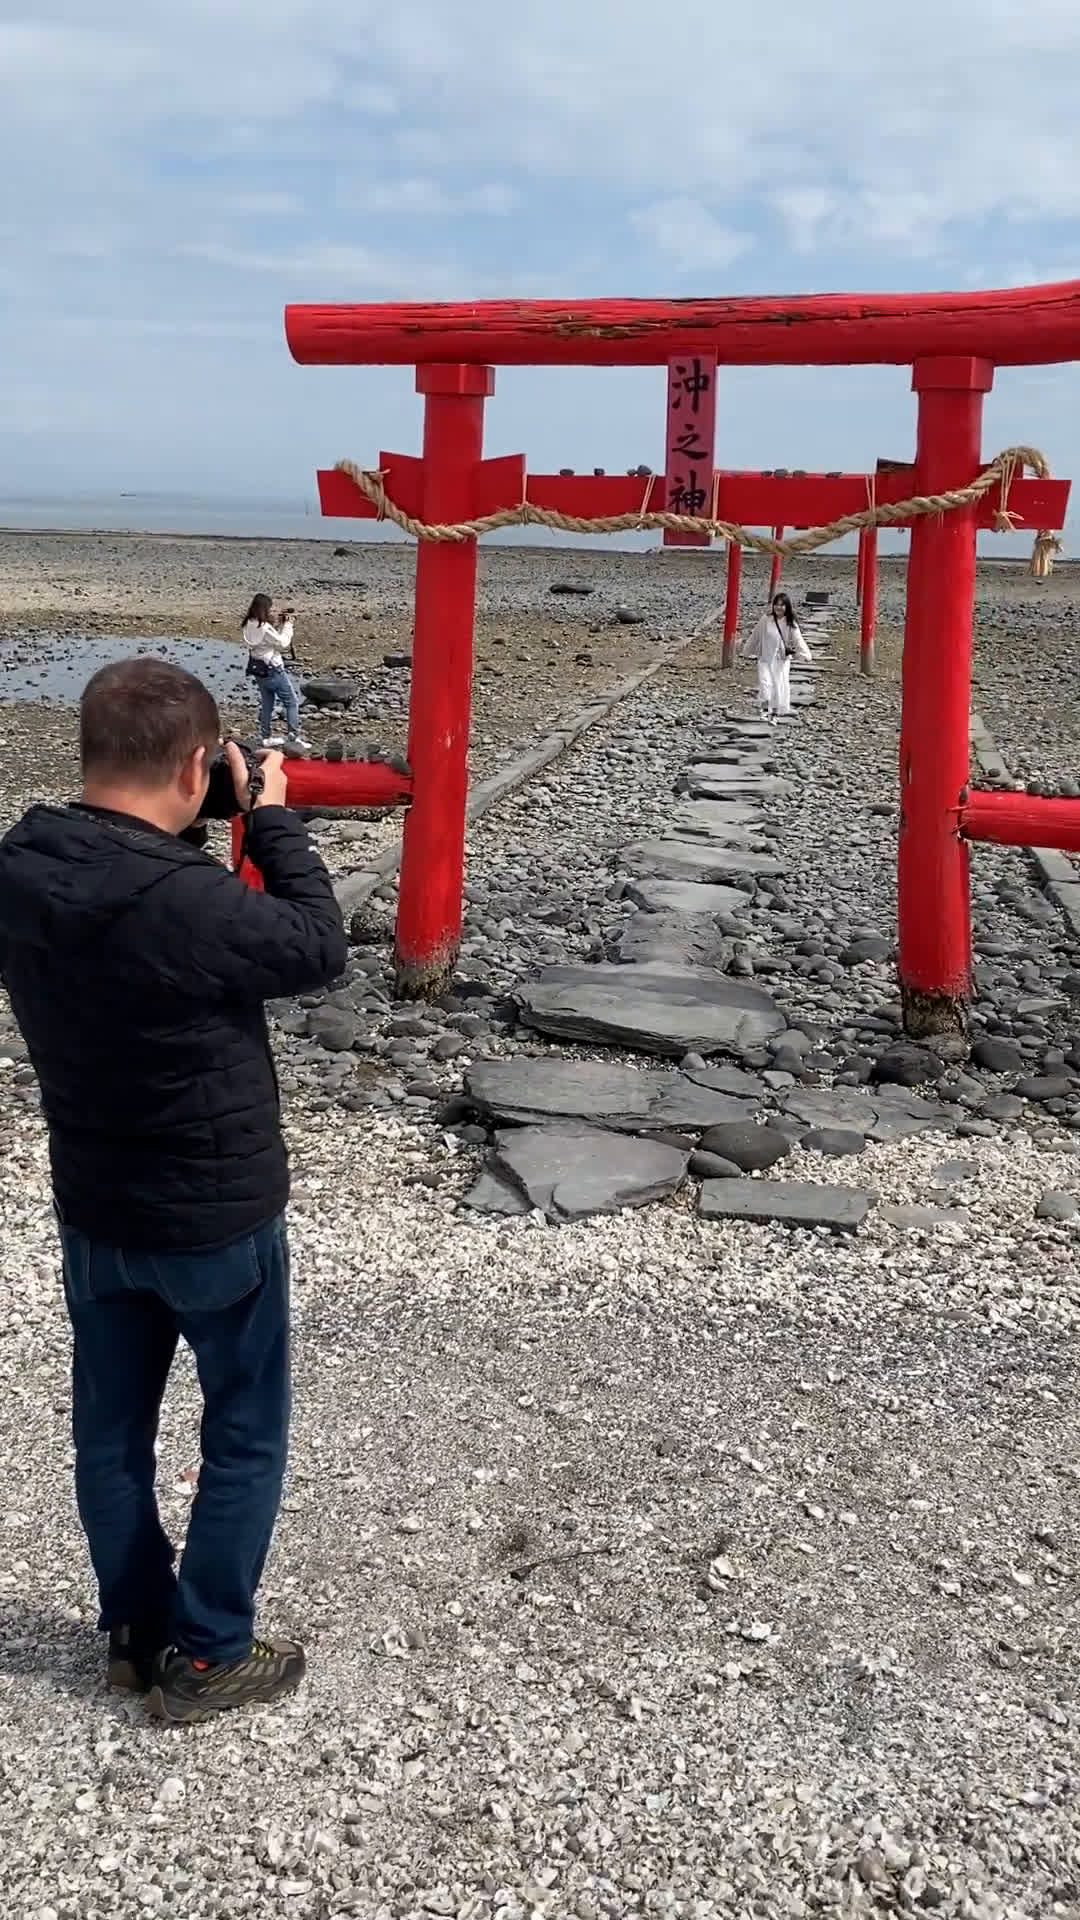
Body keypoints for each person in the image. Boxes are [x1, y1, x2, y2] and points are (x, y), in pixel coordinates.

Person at [0, 659, 347, 1723]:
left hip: (97, 1205)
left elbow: (122, 893)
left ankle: (134, 1630)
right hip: (215, 1214)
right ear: (201, 765)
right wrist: (273, 822)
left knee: (110, 1430)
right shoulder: (190, 901)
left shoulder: (18, 865)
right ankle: (207, 1656)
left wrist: (196, 822)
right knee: (242, 1429)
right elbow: (316, 947)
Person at [243, 593, 310, 749]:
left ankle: (265, 737)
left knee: (267, 703)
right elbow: (282, 643)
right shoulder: (264, 628)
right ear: (264, 609)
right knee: (291, 702)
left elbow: (268, 640)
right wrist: (288, 625)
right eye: (270, 608)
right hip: (273, 670)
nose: (272, 611)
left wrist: (278, 625)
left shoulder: (248, 623)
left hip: (258, 668)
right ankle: (293, 737)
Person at [741, 591, 812, 723]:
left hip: (781, 660)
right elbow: (755, 636)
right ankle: (764, 710)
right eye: (776, 604)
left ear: (787, 607)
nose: (779, 607)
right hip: (765, 658)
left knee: (777, 686)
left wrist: (805, 654)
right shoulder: (766, 620)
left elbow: (798, 640)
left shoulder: (791, 624)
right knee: (765, 684)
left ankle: (774, 713)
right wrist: (746, 650)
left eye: (782, 605)